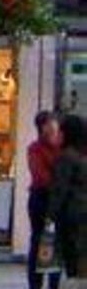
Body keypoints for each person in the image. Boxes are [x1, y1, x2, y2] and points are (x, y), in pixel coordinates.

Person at [28, 111, 64, 289]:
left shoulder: (62, 147)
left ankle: (54, 285)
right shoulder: (35, 149)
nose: (52, 128)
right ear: (41, 128)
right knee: (39, 240)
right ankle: (35, 285)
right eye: (49, 125)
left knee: (56, 243)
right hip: (41, 198)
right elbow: (40, 176)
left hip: (57, 198)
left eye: (54, 124)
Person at [49, 116, 87, 279]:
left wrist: (51, 212)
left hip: (71, 213)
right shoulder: (82, 156)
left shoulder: (67, 157)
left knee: (71, 255)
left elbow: (60, 188)